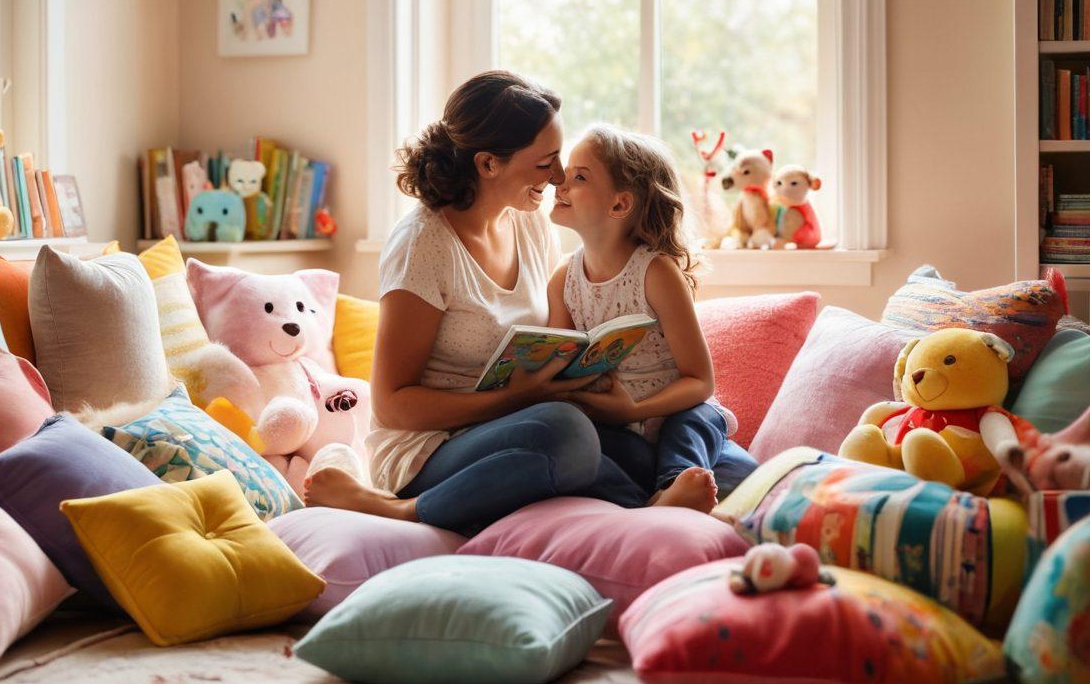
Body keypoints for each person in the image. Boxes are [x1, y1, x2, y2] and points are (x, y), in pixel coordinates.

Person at [303, 72, 651, 534]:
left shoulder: (528, 225)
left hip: (511, 423)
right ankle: (398, 509)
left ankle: (648, 500)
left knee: (637, 451)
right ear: (489, 165)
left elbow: (548, 338)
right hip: (428, 448)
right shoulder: (424, 245)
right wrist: (512, 399)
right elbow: (392, 405)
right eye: (546, 162)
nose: (559, 177)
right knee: (564, 433)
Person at [548, 124, 758, 512]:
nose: (558, 183)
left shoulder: (656, 273)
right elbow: (557, 366)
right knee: (574, 440)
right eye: (563, 173)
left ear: (619, 205)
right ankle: (652, 500)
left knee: (697, 424)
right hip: (619, 430)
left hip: (678, 417)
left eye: (578, 177)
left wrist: (635, 410)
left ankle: (674, 487)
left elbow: (700, 381)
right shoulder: (564, 279)